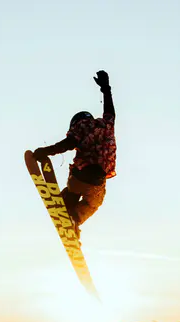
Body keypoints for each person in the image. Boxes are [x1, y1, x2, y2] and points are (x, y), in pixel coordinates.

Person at [33, 70, 116, 237]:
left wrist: (46, 152)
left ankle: (65, 205)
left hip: (79, 176)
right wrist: (106, 88)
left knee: (72, 192)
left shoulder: (81, 125)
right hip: (98, 184)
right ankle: (74, 220)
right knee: (91, 205)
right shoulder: (107, 124)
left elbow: (68, 144)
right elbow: (110, 111)